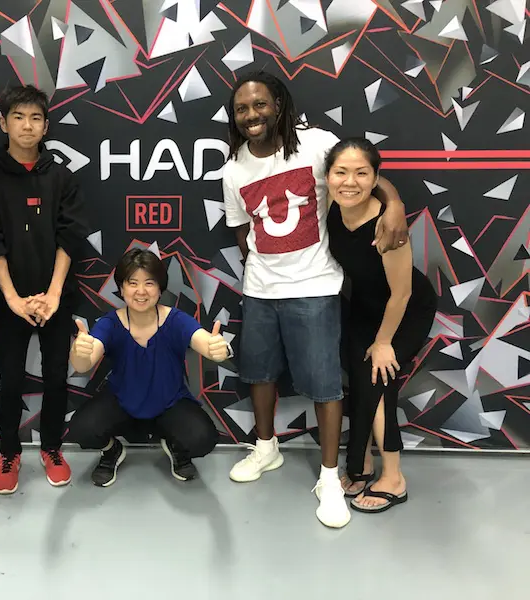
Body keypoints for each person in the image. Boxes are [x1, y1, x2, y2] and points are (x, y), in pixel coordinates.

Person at [221, 70, 409, 528]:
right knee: (259, 373)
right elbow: (241, 229)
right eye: (242, 108)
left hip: (316, 288)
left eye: (260, 104)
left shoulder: (316, 144)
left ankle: (328, 478)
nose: (251, 115)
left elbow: (362, 174)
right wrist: (261, 266)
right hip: (260, 289)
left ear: (279, 105)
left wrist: (395, 203)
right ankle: (266, 448)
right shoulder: (233, 169)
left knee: (325, 385)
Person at [0, 84, 88, 495]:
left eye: (35, 118)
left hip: (56, 297)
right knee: (10, 378)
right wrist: (12, 298)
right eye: (18, 117)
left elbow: (69, 237)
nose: (27, 125)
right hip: (11, 299)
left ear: (46, 126)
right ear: (4, 124)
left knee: (56, 376)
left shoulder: (61, 177)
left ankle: (52, 448)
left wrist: (53, 295)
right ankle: (9, 451)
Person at [325, 138, 437, 513]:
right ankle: (362, 463)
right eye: (340, 172)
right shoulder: (332, 205)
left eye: (361, 173)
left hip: (406, 309)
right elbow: (371, 182)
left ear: (374, 179)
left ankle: (394, 478)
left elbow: (401, 294)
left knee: (378, 378)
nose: (349, 182)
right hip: (365, 306)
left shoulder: (387, 227)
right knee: (359, 379)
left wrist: (385, 342)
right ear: (327, 176)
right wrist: (395, 199)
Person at [66, 248, 224, 486]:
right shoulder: (110, 323)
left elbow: (204, 341)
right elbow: (84, 362)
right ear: (121, 288)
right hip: (122, 402)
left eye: (149, 283)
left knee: (202, 438)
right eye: (132, 283)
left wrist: (217, 349)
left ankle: (176, 447)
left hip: (169, 403)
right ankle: (112, 451)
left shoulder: (176, 320)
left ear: (160, 288)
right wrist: (79, 352)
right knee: (82, 429)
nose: (141, 291)